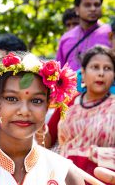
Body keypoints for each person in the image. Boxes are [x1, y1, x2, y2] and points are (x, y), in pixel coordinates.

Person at [0, 53, 86, 184]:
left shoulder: (65, 174)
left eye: (36, 101)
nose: (24, 111)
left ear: (47, 105)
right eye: (11, 98)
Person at [48, 45, 115, 179]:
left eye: (107, 68)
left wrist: (93, 154)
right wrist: (39, 129)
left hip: (103, 179)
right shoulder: (68, 103)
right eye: (95, 67)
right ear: (83, 73)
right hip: (66, 177)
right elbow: (48, 140)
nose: (101, 73)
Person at [56, 0, 111, 71]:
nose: (93, 9)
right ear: (77, 9)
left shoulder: (110, 34)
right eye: (87, 5)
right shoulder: (66, 38)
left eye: (97, 4)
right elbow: (58, 72)